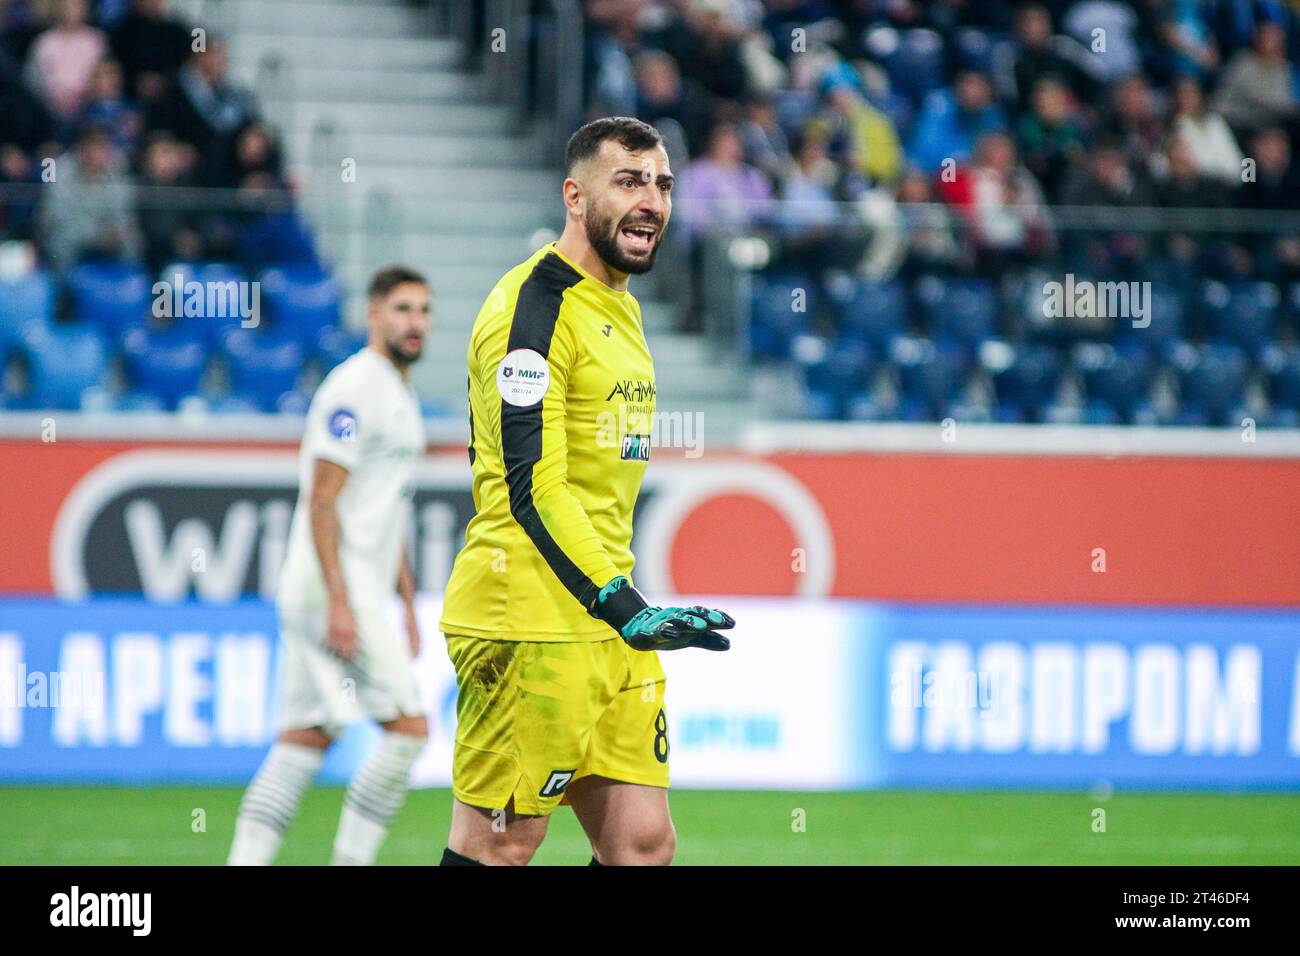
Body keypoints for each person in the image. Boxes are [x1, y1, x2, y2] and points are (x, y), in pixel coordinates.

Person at [438, 117, 736, 867]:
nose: (652, 202)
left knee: (641, 844)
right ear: (575, 196)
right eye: (629, 182)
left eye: (662, 184)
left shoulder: (624, 308)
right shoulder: (530, 312)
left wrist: (622, 609)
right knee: (501, 843)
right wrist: (623, 604)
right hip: (528, 614)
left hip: (608, 618)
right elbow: (534, 489)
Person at [227, 267, 432, 866]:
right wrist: (342, 600)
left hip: (342, 587)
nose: (414, 322)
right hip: (331, 589)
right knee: (408, 732)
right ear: (373, 315)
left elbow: (381, 506)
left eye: (422, 311)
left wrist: (406, 599)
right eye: (401, 309)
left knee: (304, 738)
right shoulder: (354, 388)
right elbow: (322, 498)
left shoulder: (397, 389)